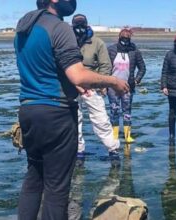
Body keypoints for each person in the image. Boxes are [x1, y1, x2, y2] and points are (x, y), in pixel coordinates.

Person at [15, 1, 129, 219]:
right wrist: (113, 81)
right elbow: (78, 74)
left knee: (34, 179)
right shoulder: (59, 28)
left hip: (29, 110)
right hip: (56, 113)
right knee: (57, 188)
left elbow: (44, 67)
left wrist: (71, 84)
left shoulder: (24, 27)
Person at [72, 14, 120, 162]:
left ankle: (113, 149)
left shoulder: (97, 42)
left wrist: (100, 84)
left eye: (82, 25)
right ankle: (78, 150)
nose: (79, 29)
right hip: (71, 86)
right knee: (74, 119)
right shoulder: (67, 41)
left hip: (92, 87)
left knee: (100, 119)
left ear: (87, 25)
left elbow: (105, 65)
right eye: (76, 26)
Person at [107, 28, 146, 143]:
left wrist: (136, 80)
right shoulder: (111, 50)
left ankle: (127, 135)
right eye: (123, 38)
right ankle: (114, 136)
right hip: (112, 87)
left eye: (127, 38)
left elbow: (142, 68)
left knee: (127, 110)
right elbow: (105, 68)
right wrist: (105, 84)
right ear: (119, 38)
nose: (125, 40)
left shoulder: (134, 51)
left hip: (128, 87)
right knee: (114, 110)